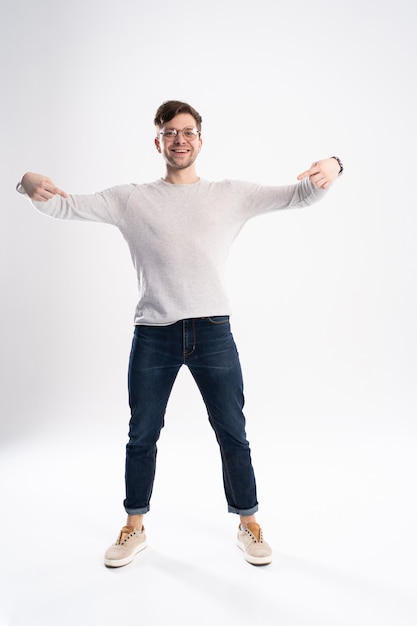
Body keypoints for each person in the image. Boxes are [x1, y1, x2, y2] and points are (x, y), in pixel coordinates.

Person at [17, 100, 342, 568]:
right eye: (170, 132)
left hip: (213, 331)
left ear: (200, 140)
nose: (179, 139)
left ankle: (248, 522)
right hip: (154, 333)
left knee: (233, 431)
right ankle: (134, 527)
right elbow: (62, 206)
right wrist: (25, 181)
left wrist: (335, 164)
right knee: (141, 434)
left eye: (187, 131)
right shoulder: (130, 199)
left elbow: (301, 195)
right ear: (158, 142)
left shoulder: (230, 193)